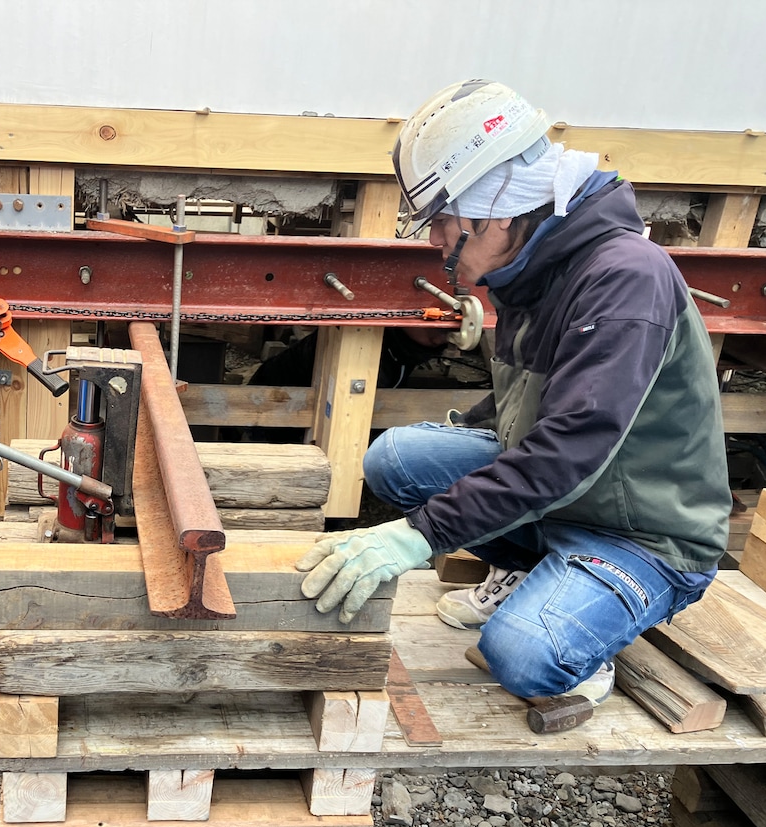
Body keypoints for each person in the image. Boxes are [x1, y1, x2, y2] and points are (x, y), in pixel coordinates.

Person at [296, 79, 729, 706]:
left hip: (641, 532)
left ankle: (585, 646)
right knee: (398, 460)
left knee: (524, 656)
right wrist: (444, 506)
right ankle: (534, 570)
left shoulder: (624, 280)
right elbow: (512, 412)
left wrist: (422, 532)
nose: (435, 241)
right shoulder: (531, 267)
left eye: (443, 221)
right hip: (567, 501)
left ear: (497, 207)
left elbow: (569, 448)